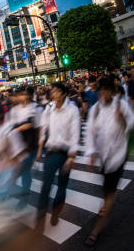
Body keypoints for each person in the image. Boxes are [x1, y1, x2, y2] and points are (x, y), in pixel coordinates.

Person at [84, 76, 134, 246]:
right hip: (103, 156)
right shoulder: (95, 109)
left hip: (119, 154)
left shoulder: (122, 106)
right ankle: (107, 202)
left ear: (112, 92)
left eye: (105, 90)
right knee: (106, 188)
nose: (102, 94)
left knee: (110, 190)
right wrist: (91, 152)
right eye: (100, 90)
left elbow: (132, 125)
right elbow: (89, 132)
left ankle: (96, 229)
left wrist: (122, 120)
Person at [36, 82, 80, 228]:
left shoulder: (72, 110)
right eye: (52, 91)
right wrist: (39, 149)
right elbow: (43, 129)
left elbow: (75, 135)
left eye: (56, 91)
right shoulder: (49, 108)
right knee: (45, 187)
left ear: (63, 93)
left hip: (66, 153)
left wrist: (71, 157)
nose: (53, 93)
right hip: (51, 153)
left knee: (62, 186)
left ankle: (55, 215)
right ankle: (40, 221)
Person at [7, 86, 41, 207]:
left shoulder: (36, 108)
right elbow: (9, 128)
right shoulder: (14, 110)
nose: (22, 97)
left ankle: (24, 198)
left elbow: (38, 129)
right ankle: (13, 190)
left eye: (24, 94)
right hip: (16, 146)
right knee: (16, 171)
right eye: (20, 94)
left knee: (24, 172)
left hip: (30, 146)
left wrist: (39, 150)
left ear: (30, 95)